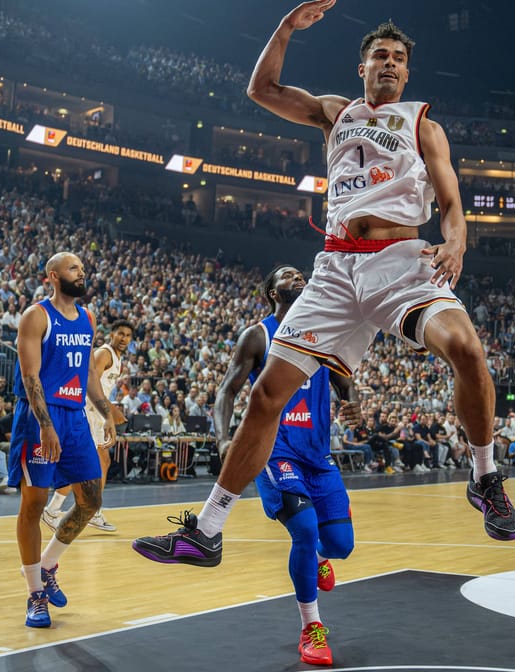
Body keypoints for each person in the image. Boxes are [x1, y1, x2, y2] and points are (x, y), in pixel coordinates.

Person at [134, 0, 515, 563]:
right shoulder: (334, 113)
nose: (389, 63)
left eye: (398, 58)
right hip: (337, 268)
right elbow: (261, 91)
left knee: (465, 347)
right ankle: (207, 531)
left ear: (407, 72)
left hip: (402, 262)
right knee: (266, 395)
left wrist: (458, 240)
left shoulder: (422, 125)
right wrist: (287, 26)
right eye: (380, 55)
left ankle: (484, 476)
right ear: (361, 66)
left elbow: (451, 202)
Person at [135, 265, 360, 665]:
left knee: (341, 546)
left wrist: (351, 403)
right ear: (272, 292)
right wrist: (223, 438)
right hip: (275, 451)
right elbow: (227, 390)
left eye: (300, 274)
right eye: (288, 276)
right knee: (305, 530)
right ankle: (312, 628)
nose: (298, 278)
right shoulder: (257, 335)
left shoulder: (324, 330)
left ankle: (319, 560)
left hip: (317, 454)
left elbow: (344, 380)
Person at [10, 252, 114, 628]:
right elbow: (30, 375)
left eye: (83, 268)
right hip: (41, 417)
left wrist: (104, 410)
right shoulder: (36, 316)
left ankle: (49, 565)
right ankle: (34, 593)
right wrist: (46, 424)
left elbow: (86, 372)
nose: (81, 273)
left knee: (91, 500)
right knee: (34, 504)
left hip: (74, 417)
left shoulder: (88, 318)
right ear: (52, 276)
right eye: (74, 268)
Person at [44, 320, 132, 533]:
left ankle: (93, 511)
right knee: (84, 465)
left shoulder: (117, 360)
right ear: (111, 333)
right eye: (120, 333)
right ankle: (53, 509)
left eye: (128, 335)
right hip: (86, 413)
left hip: (97, 415)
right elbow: (85, 382)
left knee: (103, 460)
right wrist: (111, 410)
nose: (123, 338)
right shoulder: (104, 353)